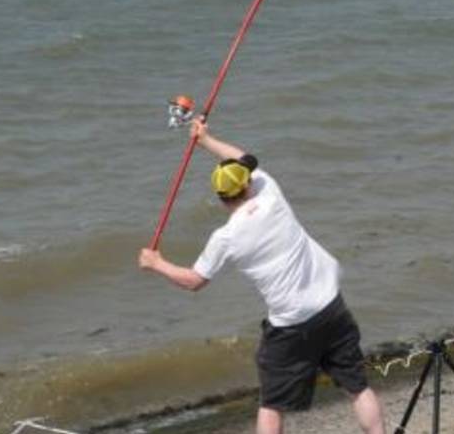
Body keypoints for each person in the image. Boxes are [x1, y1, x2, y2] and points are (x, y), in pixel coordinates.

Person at [138, 117, 386, 434]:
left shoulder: (226, 237)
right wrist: (206, 140)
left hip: (291, 326)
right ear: (247, 184)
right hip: (331, 306)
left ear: (220, 197)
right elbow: (243, 159)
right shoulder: (270, 192)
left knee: (271, 404)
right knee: (357, 386)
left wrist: (156, 263)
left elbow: (194, 281)